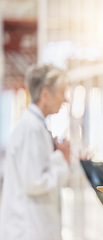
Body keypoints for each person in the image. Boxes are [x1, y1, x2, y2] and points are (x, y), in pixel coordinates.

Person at [0, 64, 71, 240]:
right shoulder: (31, 129)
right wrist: (63, 160)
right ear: (45, 94)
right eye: (62, 93)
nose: (65, 100)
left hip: (34, 227)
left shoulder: (35, 126)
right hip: (28, 230)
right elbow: (34, 183)